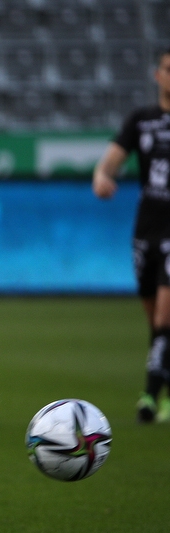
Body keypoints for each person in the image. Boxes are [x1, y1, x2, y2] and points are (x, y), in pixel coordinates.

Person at [94, 48, 170, 424]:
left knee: (165, 315)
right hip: (146, 231)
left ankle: (150, 397)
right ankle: (165, 384)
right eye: (169, 70)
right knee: (155, 320)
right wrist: (102, 176)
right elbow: (111, 160)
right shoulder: (142, 120)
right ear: (158, 75)